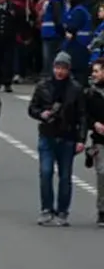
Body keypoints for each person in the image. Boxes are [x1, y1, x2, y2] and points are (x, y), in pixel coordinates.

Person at [27, 53, 84, 226]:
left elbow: (82, 116)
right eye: (57, 67)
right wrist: (41, 114)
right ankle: (46, 209)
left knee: (65, 176)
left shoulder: (76, 88)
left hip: (67, 137)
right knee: (45, 172)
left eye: (63, 68)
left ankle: (63, 211)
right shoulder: (43, 86)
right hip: (47, 134)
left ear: (68, 69)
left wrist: (81, 139)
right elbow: (32, 108)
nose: (59, 71)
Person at [83, 59, 104, 227]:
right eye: (93, 71)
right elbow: (84, 115)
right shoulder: (90, 93)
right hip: (100, 140)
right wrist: (94, 124)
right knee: (102, 173)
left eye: (97, 71)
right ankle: (102, 210)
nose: (94, 74)